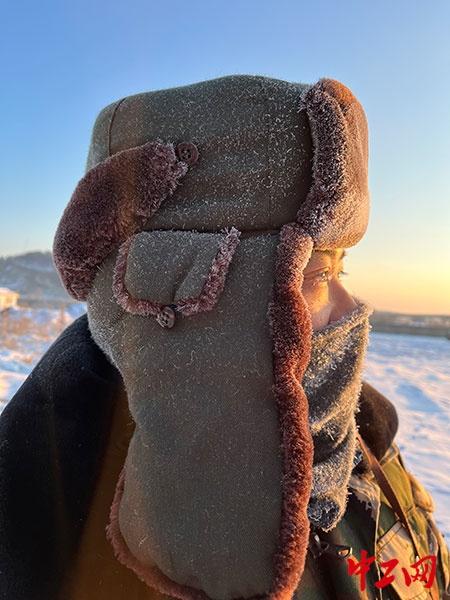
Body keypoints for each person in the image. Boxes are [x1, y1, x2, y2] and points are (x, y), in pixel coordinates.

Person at [0, 74, 448, 600]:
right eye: (319, 274)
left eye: (341, 271)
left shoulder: (359, 436)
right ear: (174, 279)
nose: (353, 307)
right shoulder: (45, 549)